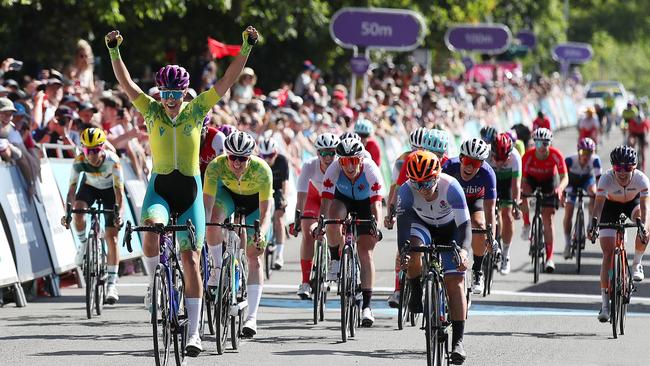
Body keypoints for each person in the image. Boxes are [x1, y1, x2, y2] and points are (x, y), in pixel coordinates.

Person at [105, 25, 258, 356]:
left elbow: (228, 80)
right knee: (150, 233)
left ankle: (193, 333)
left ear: (185, 93)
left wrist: (245, 48)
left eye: (176, 95)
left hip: (189, 190)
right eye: (166, 94)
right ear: (159, 93)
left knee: (190, 258)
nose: (171, 101)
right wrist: (114, 51)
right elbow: (127, 84)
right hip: (160, 188)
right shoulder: (151, 110)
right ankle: (153, 284)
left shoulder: (197, 109)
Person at [396, 151, 471, 365]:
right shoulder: (406, 191)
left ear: (437, 176)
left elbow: (465, 226)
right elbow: (403, 231)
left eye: (427, 182)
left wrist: (464, 251)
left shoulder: (451, 186)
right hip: (423, 225)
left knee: (454, 281)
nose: (423, 189)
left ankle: (458, 342)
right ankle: (416, 290)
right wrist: (404, 255)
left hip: (451, 230)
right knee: (412, 250)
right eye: (417, 184)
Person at [204, 131, 272, 338]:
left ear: (250, 157)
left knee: (254, 257)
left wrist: (260, 231)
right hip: (229, 197)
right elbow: (207, 204)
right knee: (213, 221)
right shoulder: (216, 165)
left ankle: (252, 317)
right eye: (233, 157)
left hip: (255, 205)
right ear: (227, 155)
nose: (237, 162)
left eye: (242, 158)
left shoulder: (262, 170)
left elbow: (266, 211)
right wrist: (206, 226)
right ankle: (216, 269)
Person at [317, 138, 384, 326]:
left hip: (366, 204)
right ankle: (335, 260)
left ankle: (367, 307)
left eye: (353, 160)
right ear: (340, 161)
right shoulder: (333, 170)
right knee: (332, 218)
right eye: (345, 161)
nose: (349, 166)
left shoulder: (371, 169)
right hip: (343, 199)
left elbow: (376, 203)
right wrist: (322, 223)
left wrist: (375, 226)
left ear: (361, 160)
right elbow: (326, 201)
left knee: (365, 252)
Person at [588, 146, 649, 322]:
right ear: (613, 167)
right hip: (610, 207)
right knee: (607, 254)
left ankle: (637, 263)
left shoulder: (642, 180)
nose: (622, 173)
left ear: (634, 168)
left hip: (633, 205)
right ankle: (605, 305)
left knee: (645, 224)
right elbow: (598, 206)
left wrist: (643, 226)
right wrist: (593, 224)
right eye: (618, 168)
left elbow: (645, 208)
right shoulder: (606, 179)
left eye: (627, 168)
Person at [63, 128, 124, 303]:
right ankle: (83, 244)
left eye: (95, 150)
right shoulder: (79, 161)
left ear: (102, 147)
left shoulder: (113, 161)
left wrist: (118, 214)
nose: (91, 155)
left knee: (112, 238)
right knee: (78, 211)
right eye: (87, 150)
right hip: (89, 187)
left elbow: (119, 193)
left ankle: (112, 284)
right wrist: (68, 213)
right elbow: (71, 191)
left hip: (109, 191)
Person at [443, 138, 497, 294]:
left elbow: (490, 208)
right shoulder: (448, 167)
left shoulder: (488, 174)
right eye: (467, 161)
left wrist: (490, 236)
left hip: (475, 202)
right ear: (461, 158)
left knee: (480, 225)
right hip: (451, 202)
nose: (470, 167)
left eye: (476, 163)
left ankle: (478, 270)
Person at [384, 126, 427, 307]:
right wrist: (390, 213)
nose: (418, 153)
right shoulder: (403, 160)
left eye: (422, 149)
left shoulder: (435, 160)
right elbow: (395, 187)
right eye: (415, 149)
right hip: (408, 200)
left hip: (427, 203)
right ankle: (398, 289)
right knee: (404, 246)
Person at [294, 133, 339, 299]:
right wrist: (298, 217)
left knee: (337, 229)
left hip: (333, 200)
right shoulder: (309, 165)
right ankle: (305, 281)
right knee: (307, 233)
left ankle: (338, 263)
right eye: (323, 153)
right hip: (314, 198)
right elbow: (301, 195)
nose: (328, 157)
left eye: (332, 153)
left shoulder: (340, 166)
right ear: (317, 153)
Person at [520, 128, 568, 272]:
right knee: (524, 194)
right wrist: (521, 194)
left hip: (549, 181)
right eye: (539, 143)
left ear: (550, 144)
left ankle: (549, 258)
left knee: (548, 219)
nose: (542, 147)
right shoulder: (527, 156)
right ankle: (527, 224)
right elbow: (521, 180)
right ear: (534, 143)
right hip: (531, 180)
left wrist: (559, 189)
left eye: (545, 143)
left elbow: (565, 177)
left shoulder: (556, 155)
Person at [487, 133, 522, 274]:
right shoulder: (486, 154)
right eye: (497, 158)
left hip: (507, 182)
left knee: (507, 215)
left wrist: (516, 205)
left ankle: (505, 255)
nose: (500, 162)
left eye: (503, 159)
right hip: (491, 180)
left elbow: (516, 185)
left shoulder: (515, 157)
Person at [562, 138, 601, 259]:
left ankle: (590, 223)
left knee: (594, 193)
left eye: (589, 153)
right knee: (568, 211)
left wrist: (600, 195)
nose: (586, 156)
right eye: (583, 152)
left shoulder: (595, 160)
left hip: (586, 180)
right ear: (578, 151)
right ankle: (567, 243)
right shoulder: (569, 160)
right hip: (572, 181)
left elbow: (599, 180)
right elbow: (562, 178)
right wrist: (563, 193)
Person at [258, 137, 290, 269]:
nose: (267, 160)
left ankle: (279, 255)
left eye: (270, 156)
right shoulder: (258, 162)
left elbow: (285, 183)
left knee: (279, 219)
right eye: (264, 156)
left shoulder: (282, 161)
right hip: (263, 191)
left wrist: (285, 198)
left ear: (276, 153)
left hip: (277, 190)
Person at [199, 115, 226, 179]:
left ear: (206, 129)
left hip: (214, 174)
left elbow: (222, 168)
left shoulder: (217, 137)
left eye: (200, 134)